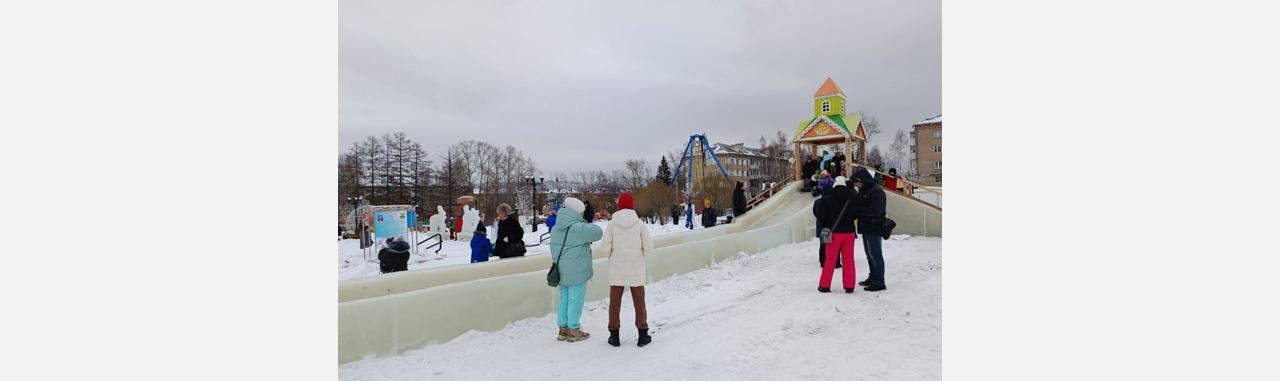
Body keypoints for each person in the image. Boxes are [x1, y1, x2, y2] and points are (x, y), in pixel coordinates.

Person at [601, 192, 655, 347]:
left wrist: (614, 255)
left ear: (619, 206)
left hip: (617, 268)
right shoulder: (639, 224)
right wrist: (639, 255)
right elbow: (648, 246)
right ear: (632, 205)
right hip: (636, 267)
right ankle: (642, 335)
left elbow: (605, 249)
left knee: (615, 302)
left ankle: (614, 335)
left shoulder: (611, 224)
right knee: (639, 301)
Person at [551, 197, 604, 342]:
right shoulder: (579, 228)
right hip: (577, 271)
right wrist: (584, 220)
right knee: (575, 299)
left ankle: (563, 329)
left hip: (561, 270)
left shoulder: (556, 228)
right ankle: (574, 329)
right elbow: (598, 233)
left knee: (564, 299)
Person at [815, 177, 858, 293]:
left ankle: (824, 285)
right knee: (849, 260)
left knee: (830, 260)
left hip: (834, 234)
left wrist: (827, 225)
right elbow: (855, 215)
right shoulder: (851, 199)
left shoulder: (827, 200)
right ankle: (849, 286)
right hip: (849, 233)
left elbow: (820, 217)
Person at [851, 168, 888, 292]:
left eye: (857, 182)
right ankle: (872, 277)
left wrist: (858, 210)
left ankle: (879, 281)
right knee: (869, 255)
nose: (856, 185)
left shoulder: (876, 192)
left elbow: (876, 211)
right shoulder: (863, 190)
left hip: (874, 227)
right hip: (866, 227)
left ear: (863, 180)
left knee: (876, 255)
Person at [812, 180, 842, 269]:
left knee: (823, 243)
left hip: (820, 224)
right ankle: (835, 262)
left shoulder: (817, 201)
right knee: (834, 244)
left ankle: (822, 260)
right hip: (831, 224)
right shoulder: (833, 200)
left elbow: (815, 212)